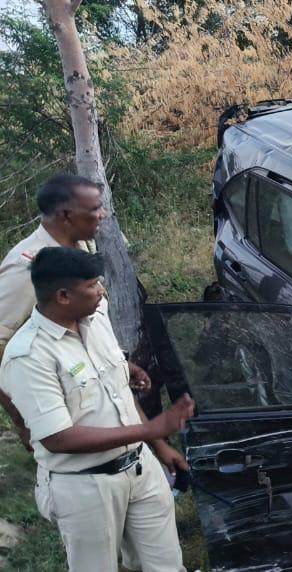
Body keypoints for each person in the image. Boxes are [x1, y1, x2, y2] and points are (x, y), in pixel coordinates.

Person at [0, 247, 194, 571]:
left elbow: (115, 388)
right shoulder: (29, 356)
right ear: (63, 296)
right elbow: (58, 438)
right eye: (92, 285)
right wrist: (151, 429)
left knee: (167, 566)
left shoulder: (95, 316)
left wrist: (158, 446)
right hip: (85, 487)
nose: (101, 290)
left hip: (141, 469)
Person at [0, 175, 150, 453]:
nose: (102, 214)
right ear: (67, 216)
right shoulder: (27, 268)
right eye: (94, 209)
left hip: (101, 399)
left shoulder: (82, 246)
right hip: (63, 408)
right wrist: (23, 419)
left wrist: (120, 365)